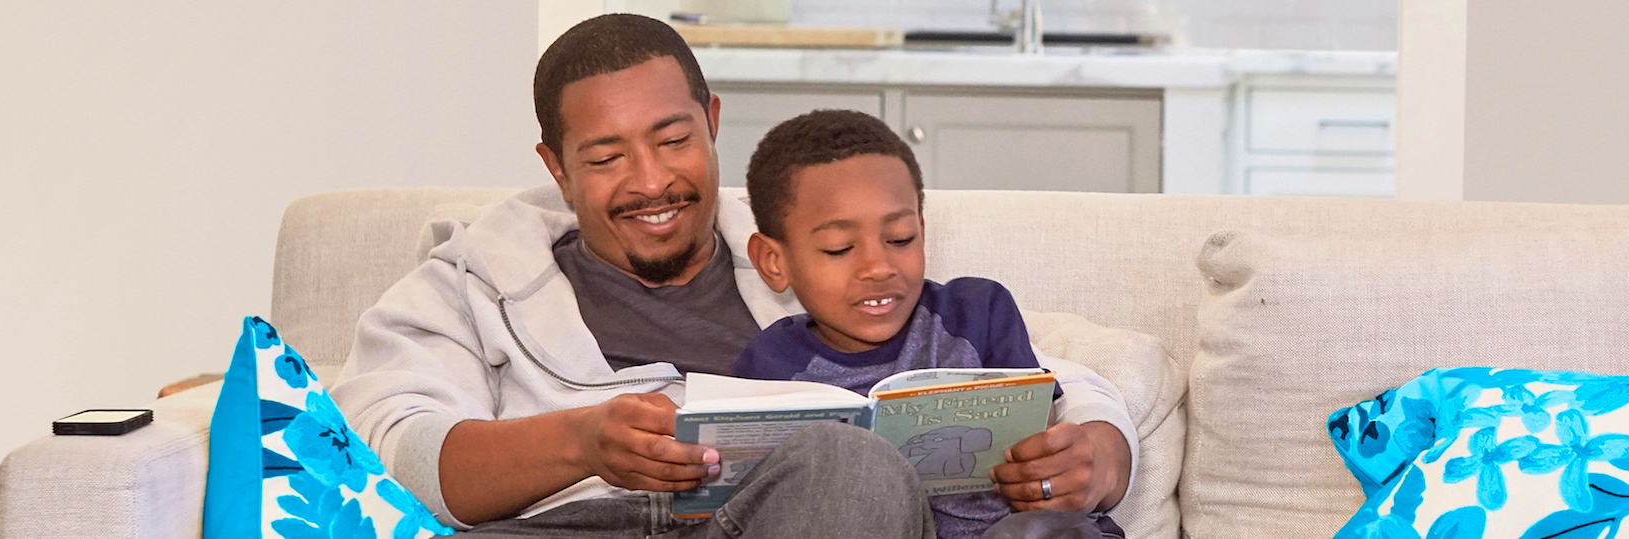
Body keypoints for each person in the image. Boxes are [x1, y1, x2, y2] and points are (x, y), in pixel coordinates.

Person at [331, 13, 1135, 538]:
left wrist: (1103, 445)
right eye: (607, 157)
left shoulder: (807, 238)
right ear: (556, 165)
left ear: (712, 121)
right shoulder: (468, 284)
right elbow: (388, 454)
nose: (651, 182)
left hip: (783, 515)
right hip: (581, 521)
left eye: (673, 139)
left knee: (846, 465)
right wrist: (578, 439)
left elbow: (1002, 365)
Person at [733, 110, 1128, 539]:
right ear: (774, 262)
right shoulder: (769, 364)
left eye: (901, 238)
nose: (878, 267)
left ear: (922, 228)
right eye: (839, 248)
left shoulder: (976, 313)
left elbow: (1041, 429)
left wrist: (1053, 461)